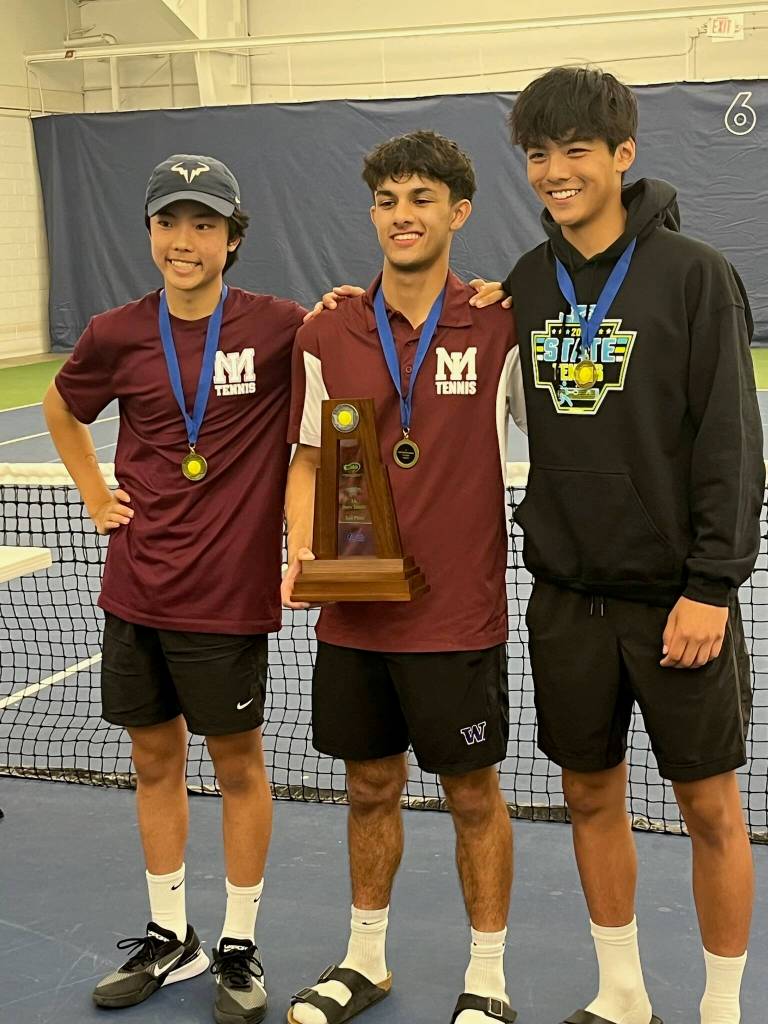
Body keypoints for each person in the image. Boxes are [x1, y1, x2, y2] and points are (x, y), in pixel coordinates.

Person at [466, 66, 762, 1024]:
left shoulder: (695, 275)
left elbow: (731, 445)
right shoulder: (524, 282)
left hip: (678, 601)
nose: (555, 172)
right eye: (539, 155)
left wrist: (712, 587)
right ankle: (623, 994)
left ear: (623, 155)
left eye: (576, 151)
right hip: (565, 602)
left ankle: (721, 1009)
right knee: (591, 799)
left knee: (711, 812)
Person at [43, 153, 306, 1024]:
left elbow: (355, 353)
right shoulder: (117, 332)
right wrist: (90, 490)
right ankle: (170, 935)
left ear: (233, 239)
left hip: (227, 597)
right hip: (136, 589)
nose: (183, 241)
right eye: (168, 222)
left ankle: (236, 942)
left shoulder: (279, 328)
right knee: (152, 760)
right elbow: (61, 407)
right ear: (150, 232)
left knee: (237, 767)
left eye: (203, 225)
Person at [281, 130, 526, 1024]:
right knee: (368, 786)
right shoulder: (328, 327)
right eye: (387, 200)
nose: (402, 216)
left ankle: (488, 978)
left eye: (422, 199)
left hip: (458, 616)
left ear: (458, 212)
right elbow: (307, 456)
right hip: (353, 611)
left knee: (472, 794)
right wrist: (299, 542)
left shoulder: (501, 323)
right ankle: (365, 961)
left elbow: (564, 439)